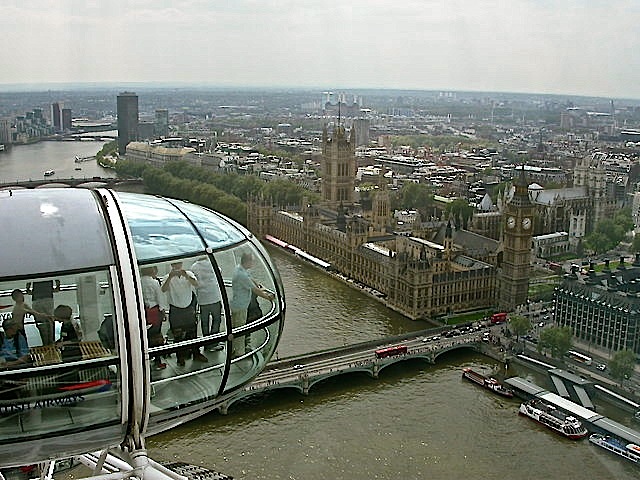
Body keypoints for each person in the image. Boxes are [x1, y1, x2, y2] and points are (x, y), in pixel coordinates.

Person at [161, 261, 208, 366]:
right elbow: (163, 289)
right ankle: (180, 357)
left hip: (188, 308)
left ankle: (196, 353)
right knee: (177, 335)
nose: (177, 266)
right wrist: (170, 277)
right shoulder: (167, 277)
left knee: (193, 333)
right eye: (175, 265)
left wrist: (186, 275)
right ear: (172, 265)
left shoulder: (188, 274)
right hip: (176, 309)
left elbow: (196, 284)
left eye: (179, 264)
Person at [230, 252, 275, 358]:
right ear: (247, 261)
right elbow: (254, 290)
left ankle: (233, 349)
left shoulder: (239, 268)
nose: (253, 263)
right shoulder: (242, 275)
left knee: (235, 328)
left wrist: (259, 285)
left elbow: (251, 280)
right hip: (241, 306)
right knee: (240, 330)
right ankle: (239, 353)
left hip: (236, 304)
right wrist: (268, 297)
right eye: (252, 261)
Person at [190, 256, 223, 350]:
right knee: (216, 319)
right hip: (214, 296)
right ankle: (214, 342)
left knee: (205, 322)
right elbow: (219, 271)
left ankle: (206, 343)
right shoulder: (212, 263)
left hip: (202, 298)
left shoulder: (194, 267)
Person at [140, 266, 168, 369]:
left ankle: (147, 358)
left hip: (143, 312)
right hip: (154, 311)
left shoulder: (138, 281)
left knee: (146, 336)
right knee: (156, 336)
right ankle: (157, 360)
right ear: (153, 271)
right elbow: (160, 298)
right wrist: (163, 312)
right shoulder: (154, 282)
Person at [26, 279, 60, 345]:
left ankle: (45, 344)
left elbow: (28, 282)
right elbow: (57, 280)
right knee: (50, 321)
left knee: (41, 323)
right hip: (48, 297)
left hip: (36, 298)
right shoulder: (49, 269)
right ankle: (51, 343)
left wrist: (28, 289)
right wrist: (57, 287)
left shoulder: (33, 270)